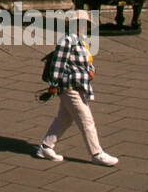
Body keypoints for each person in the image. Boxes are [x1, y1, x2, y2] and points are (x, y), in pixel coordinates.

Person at [37, 10, 118, 166]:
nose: (83, 27)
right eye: (80, 24)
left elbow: (88, 62)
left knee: (64, 119)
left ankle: (46, 147)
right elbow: (58, 65)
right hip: (69, 87)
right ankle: (96, 153)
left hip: (79, 85)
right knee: (86, 120)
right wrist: (53, 85)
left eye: (85, 24)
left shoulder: (81, 41)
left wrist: (92, 72)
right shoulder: (67, 41)